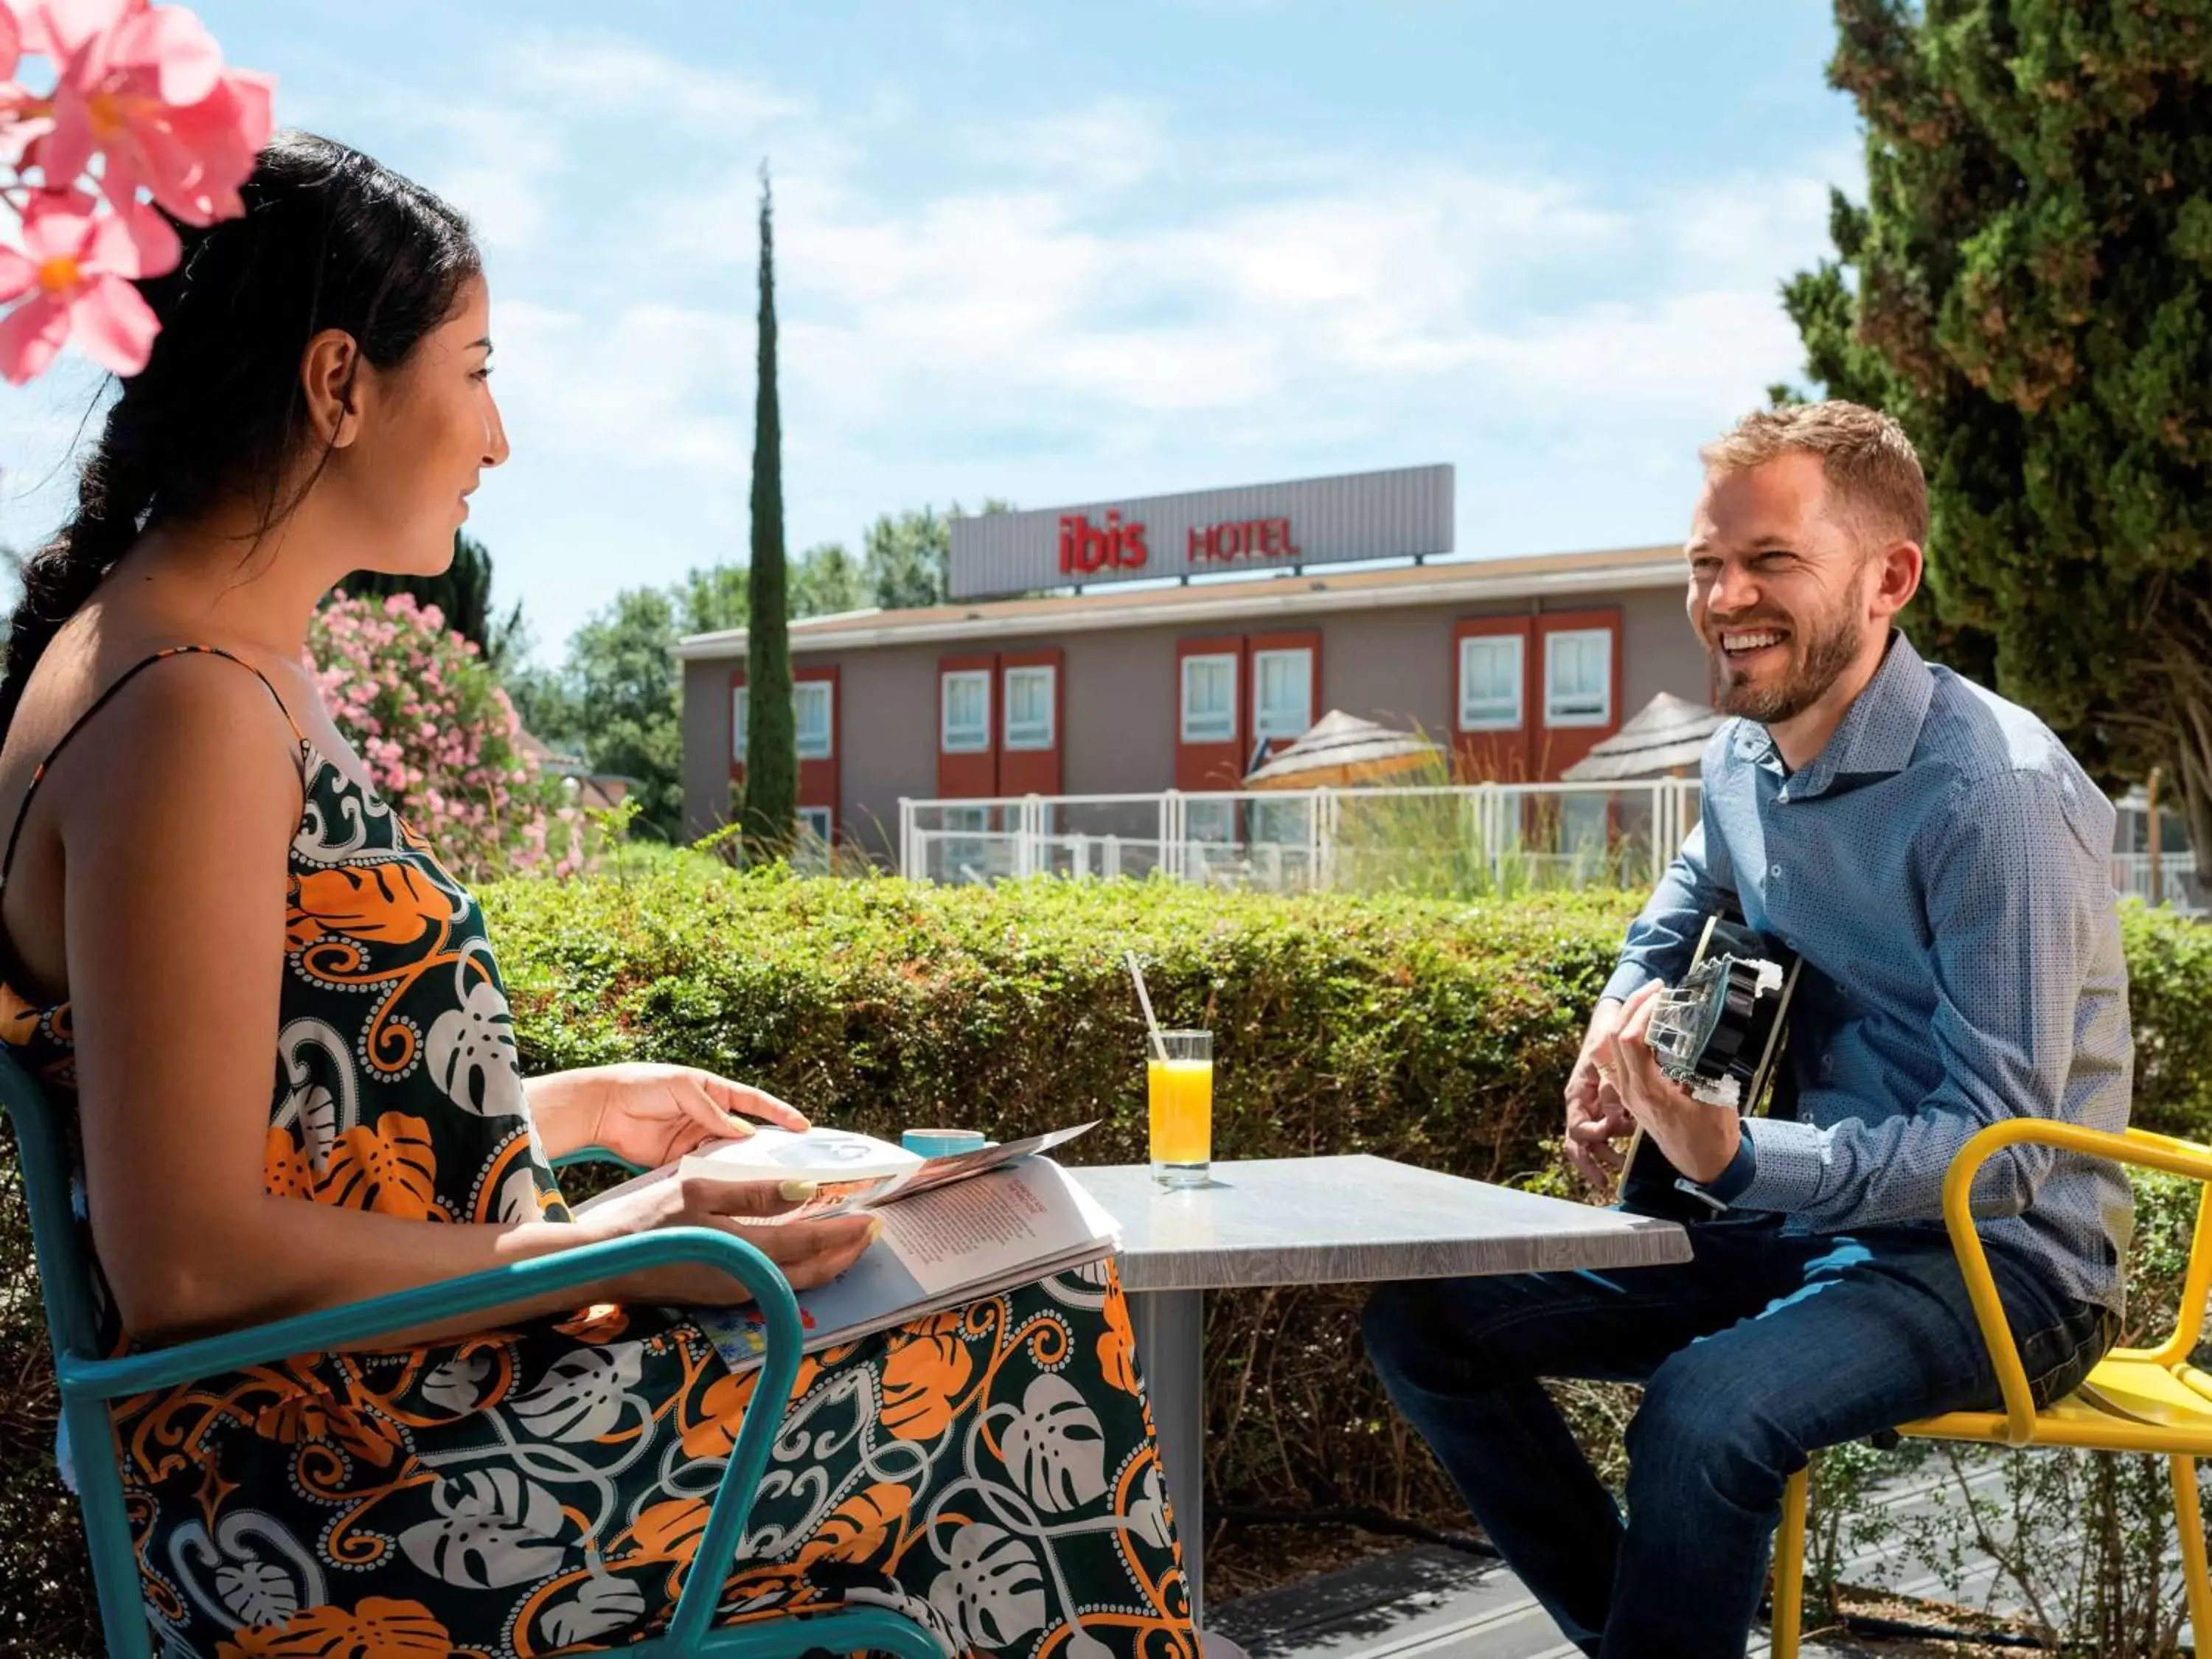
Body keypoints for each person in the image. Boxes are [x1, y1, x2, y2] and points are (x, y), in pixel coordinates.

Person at [0, 132, 1191, 1658]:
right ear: (339, 383)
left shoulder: (210, 674)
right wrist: (652, 1237)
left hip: (396, 1425)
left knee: (975, 1282)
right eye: (479, 369)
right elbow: (185, 1268)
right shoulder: (185, 710)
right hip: (349, 1500)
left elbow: (297, 1106)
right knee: (1028, 1336)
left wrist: (586, 1110)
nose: (499, 439)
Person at [1363, 401, 2129, 1658]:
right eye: (1706, 565)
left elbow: (2007, 1150)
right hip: (1801, 1224)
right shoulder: (1740, 757)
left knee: (1705, 1408)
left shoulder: (1996, 791)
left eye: (1771, 560)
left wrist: (1734, 1161)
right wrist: (1617, 1017)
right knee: (1423, 1318)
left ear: (1889, 578)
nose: (1726, 597)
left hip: (2005, 1266)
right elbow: (1677, 915)